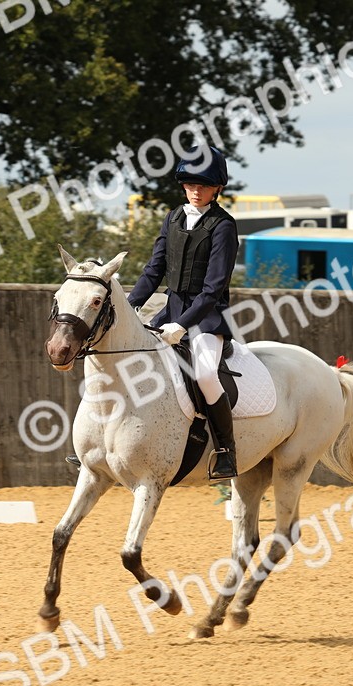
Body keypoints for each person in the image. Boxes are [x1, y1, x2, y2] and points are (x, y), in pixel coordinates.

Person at [127, 146, 240, 482]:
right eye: (189, 183)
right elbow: (155, 268)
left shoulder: (223, 227)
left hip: (206, 317)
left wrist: (183, 324)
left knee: (205, 375)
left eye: (203, 185)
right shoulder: (174, 217)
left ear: (218, 188)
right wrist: (132, 303)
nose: (195, 190)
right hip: (170, 309)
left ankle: (226, 450)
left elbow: (214, 287)